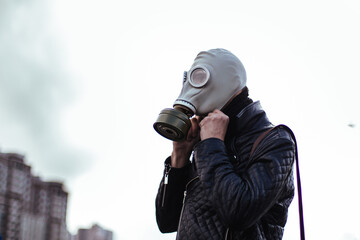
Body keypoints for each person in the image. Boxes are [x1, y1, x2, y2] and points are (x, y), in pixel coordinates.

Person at [155, 49, 296, 240]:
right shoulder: (206, 142)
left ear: (227, 81)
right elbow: (167, 222)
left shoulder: (276, 141)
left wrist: (213, 144)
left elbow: (238, 214)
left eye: (200, 78)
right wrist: (179, 157)